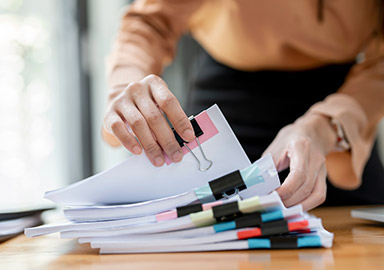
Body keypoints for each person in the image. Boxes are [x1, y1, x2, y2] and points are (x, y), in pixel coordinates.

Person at [101, 0, 384, 210]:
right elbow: (151, 22)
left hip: (342, 113)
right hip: (226, 106)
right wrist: (124, 86)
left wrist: (326, 128)